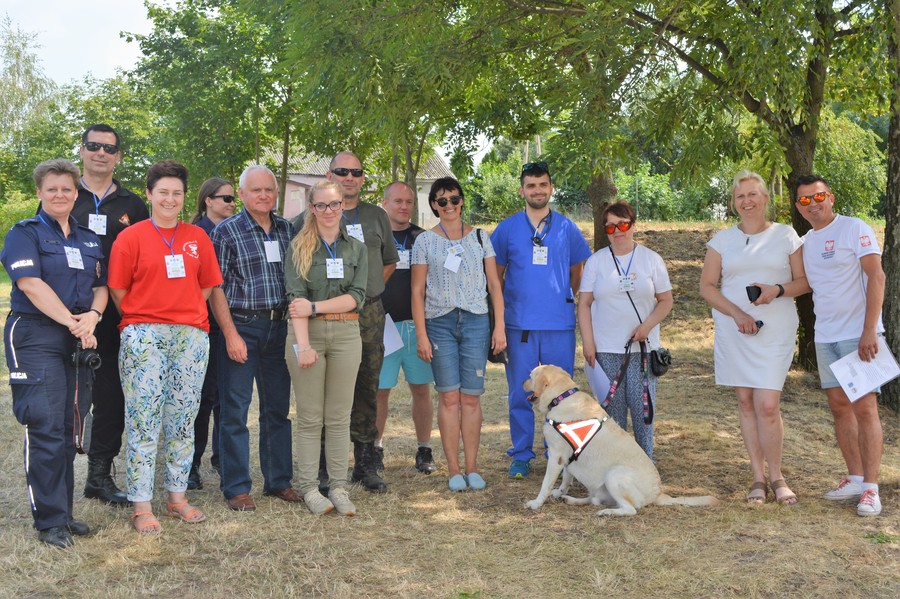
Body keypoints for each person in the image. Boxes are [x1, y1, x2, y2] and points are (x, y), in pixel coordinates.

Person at [109, 160, 223, 533]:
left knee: (183, 419)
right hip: (144, 334)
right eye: (163, 193)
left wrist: (183, 313)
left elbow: (206, 286)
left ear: (185, 196)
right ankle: (141, 504)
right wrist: (149, 315)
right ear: (149, 195)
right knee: (144, 420)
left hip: (190, 335)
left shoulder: (197, 238)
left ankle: (177, 497)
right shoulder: (131, 237)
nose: (170, 199)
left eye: (177, 193)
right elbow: (118, 290)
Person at [2, 159, 108, 548]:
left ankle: (63, 513)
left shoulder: (88, 238)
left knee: (68, 427)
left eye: (67, 188)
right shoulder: (24, 233)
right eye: (52, 189)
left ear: (76, 193)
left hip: (77, 335)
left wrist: (92, 318)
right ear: (39, 193)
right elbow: (30, 284)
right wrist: (72, 321)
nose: (60, 195)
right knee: (45, 425)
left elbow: (102, 285)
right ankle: (49, 522)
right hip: (35, 334)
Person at [699, 170, 807, 505]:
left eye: (753, 194)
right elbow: (706, 287)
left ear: (765, 199)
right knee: (746, 402)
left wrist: (776, 290)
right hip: (735, 329)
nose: (747, 201)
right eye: (740, 196)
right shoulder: (722, 241)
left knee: (768, 404)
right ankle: (757, 478)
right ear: (734, 202)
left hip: (775, 330)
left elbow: (804, 282)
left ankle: (778, 476)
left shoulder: (787, 235)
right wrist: (738, 314)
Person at [294, 151, 399, 494]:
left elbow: (388, 262)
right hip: (319, 314)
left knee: (367, 386)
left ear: (362, 178)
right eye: (342, 171)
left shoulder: (376, 216)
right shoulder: (303, 220)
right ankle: (324, 465)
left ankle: (365, 461)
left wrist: (366, 290)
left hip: (366, 311)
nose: (349, 177)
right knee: (325, 390)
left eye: (356, 172)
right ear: (330, 174)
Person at [490, 161, 591, 479]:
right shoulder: (507, 229)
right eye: (531, 185)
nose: (537, 190)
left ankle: (557, 453)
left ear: (551, 189)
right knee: (521, 392)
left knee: (560, 395)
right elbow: (496, 276)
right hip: (519, 325)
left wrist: (569, 302)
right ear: (522, 190)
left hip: (558, 324)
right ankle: (521, 453)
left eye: (543, 185)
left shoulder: (567, 228)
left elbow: (578, 272)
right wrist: (501, 319)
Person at [210, 165, 301, 511]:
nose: (264, 196)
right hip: (242, 327)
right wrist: (231, 334)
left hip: (279, 328)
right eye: (256, 190)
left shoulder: (286, 229)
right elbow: (216, 288)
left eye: (269, 190)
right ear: (243, 195)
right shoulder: (226, 231)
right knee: (234, 411)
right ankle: (236, 487)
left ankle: (278, 481)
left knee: (277, 409)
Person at [796, 175, 886, 517]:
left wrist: (869, 331)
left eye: (818, 196)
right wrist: (773, 289)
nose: (813, 204)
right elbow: (806, 283)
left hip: (857, 334)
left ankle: (871, 490)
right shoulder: (807, 242)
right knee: (839, 407)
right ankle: (855, 477)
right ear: (799, 207)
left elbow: (877, 276)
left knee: (865, 408)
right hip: (825, 335)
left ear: (830, 197)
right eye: (805, 200)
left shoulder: (854, 228)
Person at [71, 123, 149, 507]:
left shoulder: (133, 204)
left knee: (111, 397)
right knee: (64, 398)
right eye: (93, 146)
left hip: (118, 316)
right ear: (82, 151)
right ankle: (55, 474)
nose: (100, 152)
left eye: (109, 148)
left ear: (118, 156)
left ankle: (99, 475)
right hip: (68, 313)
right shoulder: (66, 194)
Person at [411, 177, 506, 492]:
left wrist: (500, 327)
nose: (448, 205)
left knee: (471, 398)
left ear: (462, 201)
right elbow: (417, 291)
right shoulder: (424, 242)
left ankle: (472, 468)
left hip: (477, 322)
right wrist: (422, 335)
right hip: (439, 323)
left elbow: (495, 286)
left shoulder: (481, 237)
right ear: (434, 206)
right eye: (441, 201)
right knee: (449, 397)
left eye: (453, 199)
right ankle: (453, 470)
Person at [284, 181, 367, 515]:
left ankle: (338, 486)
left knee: (338, 417)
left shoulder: (356, 248)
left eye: (334, 205)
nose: (329, 211)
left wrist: (316, 308)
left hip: (347, 334)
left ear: (342, 206)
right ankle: (308, 488)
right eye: (321, 206)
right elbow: (296, 301)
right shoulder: (299, 246)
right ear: (311, 208)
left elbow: (357, 296)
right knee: (309, 417)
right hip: (308, 336)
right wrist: (302, 346)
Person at [578, 201, 673, 460]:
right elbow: (584, 304)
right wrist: (588, 343)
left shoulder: (651, 260)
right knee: (613, 414)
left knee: (643, 414)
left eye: (622, 224)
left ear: (632, 224)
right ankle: (615, 466)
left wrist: (647, 326)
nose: (617, 231)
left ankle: (645, 463)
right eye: (610, 227)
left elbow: (666, 301)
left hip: (642, 349)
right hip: (606, 349)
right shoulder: (597, 261)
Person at [375, 182, 437, 474]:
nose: (403, 206)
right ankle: (374, 448)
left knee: (421, 390)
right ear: (384, 203)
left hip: (416, 326)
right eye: (397, 201)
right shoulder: (373, 236)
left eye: (409, 202)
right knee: (380, 391)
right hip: (382, 325)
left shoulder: (422, 238)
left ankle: (424, 449)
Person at [186, 177, 236, 489]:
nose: (232, 203)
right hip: (201, 325)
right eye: (226, 198)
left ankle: (222, 460)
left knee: (225, 398)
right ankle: (191, 464)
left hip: (229, 324)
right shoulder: (196, 235)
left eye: (233, 199)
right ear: (208, 200)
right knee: (201, 399)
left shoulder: (232, 231)